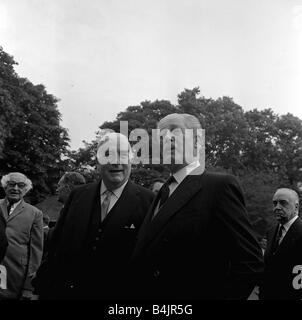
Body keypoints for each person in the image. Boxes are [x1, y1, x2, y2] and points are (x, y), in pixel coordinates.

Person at [131, 113, 264, 300]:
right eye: (161, 137)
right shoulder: (160, 194)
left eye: (175, 131)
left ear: (197, 142)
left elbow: (250, 261)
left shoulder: (218, 186)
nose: (167, 138)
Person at [33, 133, 154, 299]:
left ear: (131, 160)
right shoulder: (77, 195)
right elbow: (56, 246)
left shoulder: (150, 201)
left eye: (122, 154)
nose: (116, 161)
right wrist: (40, 288)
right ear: (98, 161)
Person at [0, 172, 43, 300]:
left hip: (15, 275)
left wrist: (29, 287)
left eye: (20, 185)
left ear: (26, 189)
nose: (15, 188)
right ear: (4, 186)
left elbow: (36, 251)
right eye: (11, 184)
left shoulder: (35, 213)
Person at [260, 188, 302, 300]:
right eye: (275, 203)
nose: (277, 207)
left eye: (283, 203)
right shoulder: (271, 231)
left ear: (296, 207)